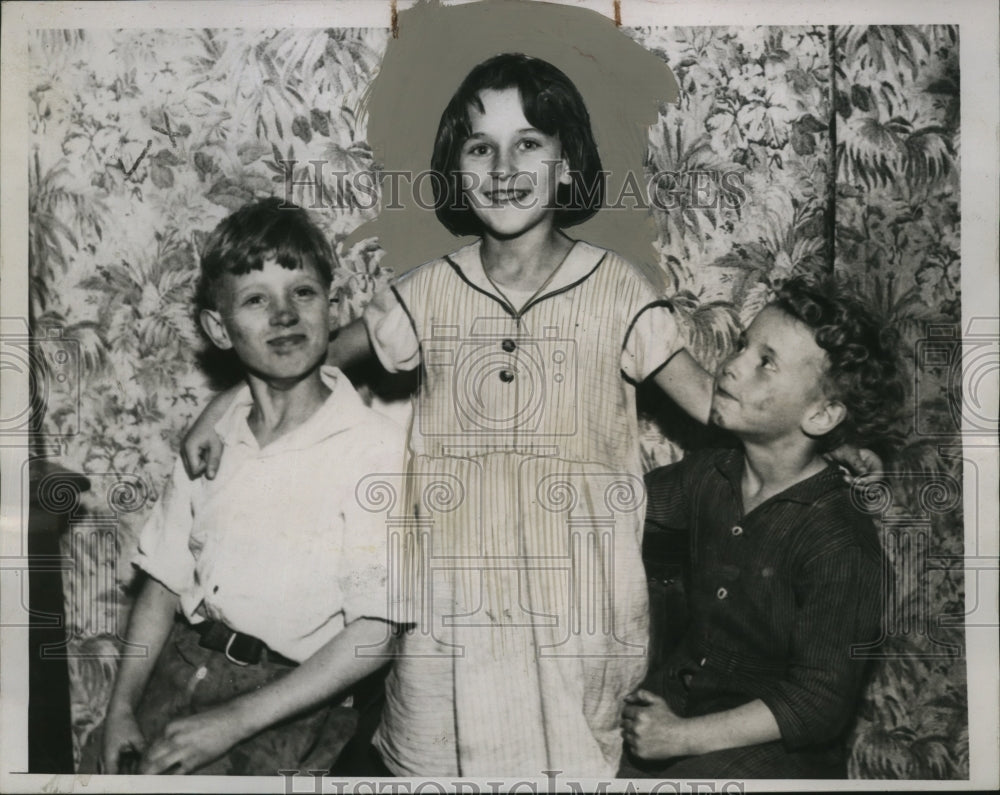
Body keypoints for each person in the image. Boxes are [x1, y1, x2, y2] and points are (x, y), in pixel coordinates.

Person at [94, 198, 406, 775]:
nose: (284, 315)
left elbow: (373, 637)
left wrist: (233, 721)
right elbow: (162, 585)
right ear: (219, 327)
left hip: (290, 704)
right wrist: (120, 710)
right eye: (256, 300)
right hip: (179, 668)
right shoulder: (212, 440)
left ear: (332, 309)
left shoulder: (373, 449)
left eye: (302, 293)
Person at [620, 275, 905, 779]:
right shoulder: (710, 474)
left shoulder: (839, 543)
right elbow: (618, 507)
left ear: (821, 415)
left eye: (765, 363)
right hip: (681, 717)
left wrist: (679, 737)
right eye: (742, 345)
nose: (731, 366)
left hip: (772, 756)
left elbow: (817, 704)